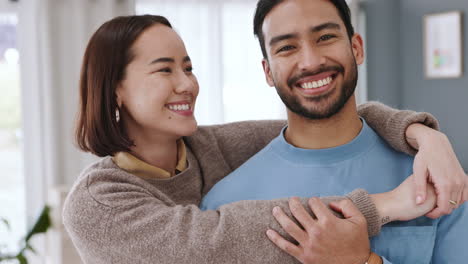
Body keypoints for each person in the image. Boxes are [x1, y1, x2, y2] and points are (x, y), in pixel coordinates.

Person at [63, 15, 463, 264]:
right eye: (164, 70)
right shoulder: (97, 201)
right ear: (115, 89)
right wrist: (385, 204)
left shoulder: (208, 147)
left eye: (188, 67)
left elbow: (327, 116)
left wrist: (426, 136)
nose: (187, 84)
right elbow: (211, 245)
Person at [200, 0, 468, 263]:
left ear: (357, 48)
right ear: (268, 71)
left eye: (325, 37)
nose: (310, 62)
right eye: (287, 47)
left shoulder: (438, 179)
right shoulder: (223, 205)